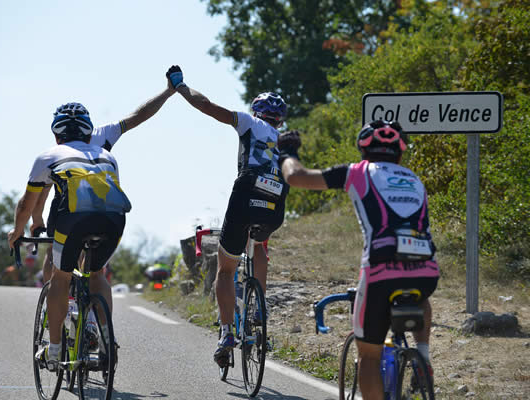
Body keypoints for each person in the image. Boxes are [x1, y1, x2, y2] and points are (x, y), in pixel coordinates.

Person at [277, 122, 439, 400]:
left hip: (380, 271)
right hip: (426, 270)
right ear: (400, 155)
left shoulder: (357, 172)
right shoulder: (415, 179)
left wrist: (287, 153)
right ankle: (422, 356)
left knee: (369, 356)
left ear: (364, 151)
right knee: (419, 292)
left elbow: (297, 177)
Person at [166, 65, 289, 367]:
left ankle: (225, 333)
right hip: (276, 200)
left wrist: (182, 88)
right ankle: (259, 312)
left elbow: (207, 107)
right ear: (280, 119)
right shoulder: (285, 141)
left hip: (247, 191)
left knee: (225, 269)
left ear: (256, 111)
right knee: (259, 245)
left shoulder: (248, 122)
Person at [8, 102, 133, 371]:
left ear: (56, 135)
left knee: (60, 278)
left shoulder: (48, 156)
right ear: (89, 134)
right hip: (114, 220)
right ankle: (106, 342)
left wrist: (17, 232)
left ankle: (53, 352)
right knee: (97, 274)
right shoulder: (107, 155)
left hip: (73, 218)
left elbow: (26, 204)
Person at [29, 83, 176, 285]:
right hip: (106, 205)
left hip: (68, 204)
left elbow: (43, 189)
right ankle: (89, 303)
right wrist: (168, 92)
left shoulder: (58, 149)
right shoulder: (102, 134)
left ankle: (57, 297)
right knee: (94, 265)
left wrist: (37, 221)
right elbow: (138, 117)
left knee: (55, 255)